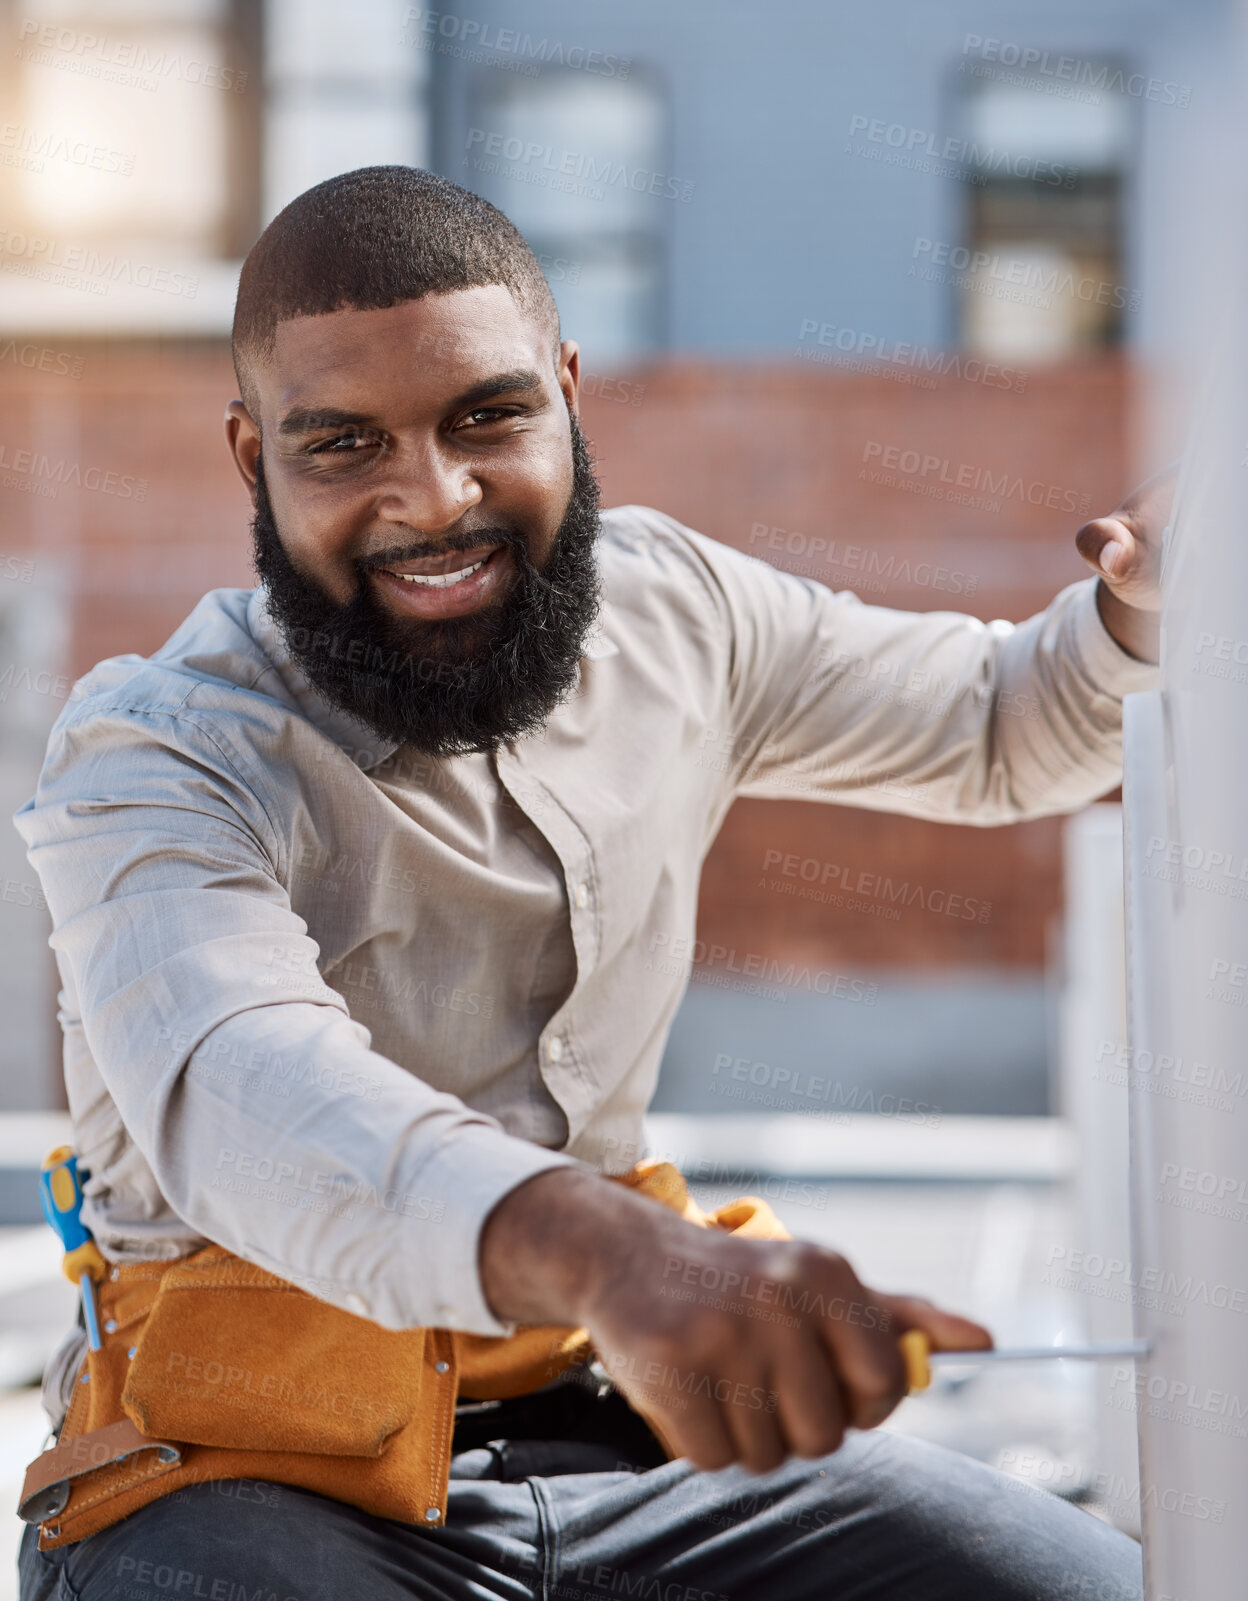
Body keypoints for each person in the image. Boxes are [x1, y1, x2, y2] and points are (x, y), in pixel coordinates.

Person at [15, 166, 1159, 1601]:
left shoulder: (679, 613)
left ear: (567, 388)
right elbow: (245, 1085)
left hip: (627, 1435)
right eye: (342, 444)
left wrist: (1137, 609)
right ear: (253, 459)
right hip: (246, 1473)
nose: (432, 498)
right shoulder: (157, 751)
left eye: (486, 416)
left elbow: (1002, 721)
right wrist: (609, 1249)